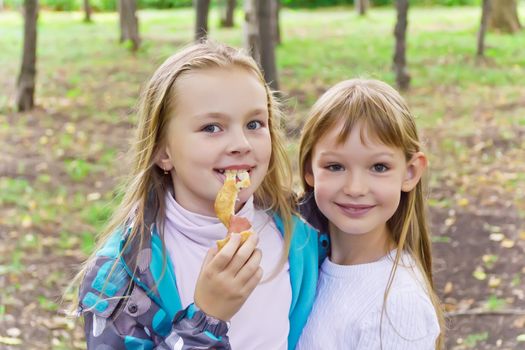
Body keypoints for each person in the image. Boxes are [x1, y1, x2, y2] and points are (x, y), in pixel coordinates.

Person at [69, 41, 326, 350]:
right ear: (164, 152)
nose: (241, 143)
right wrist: (207, 318)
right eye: (212, 127)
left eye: (255, 124)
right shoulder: (120, 277)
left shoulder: (306, 235)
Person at [296, 79, 445, 349]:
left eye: (378, 167)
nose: (355, 188)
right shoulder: (303, 263)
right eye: (335, 166)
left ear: (410, 172)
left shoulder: (398, 305)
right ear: (310, 171)